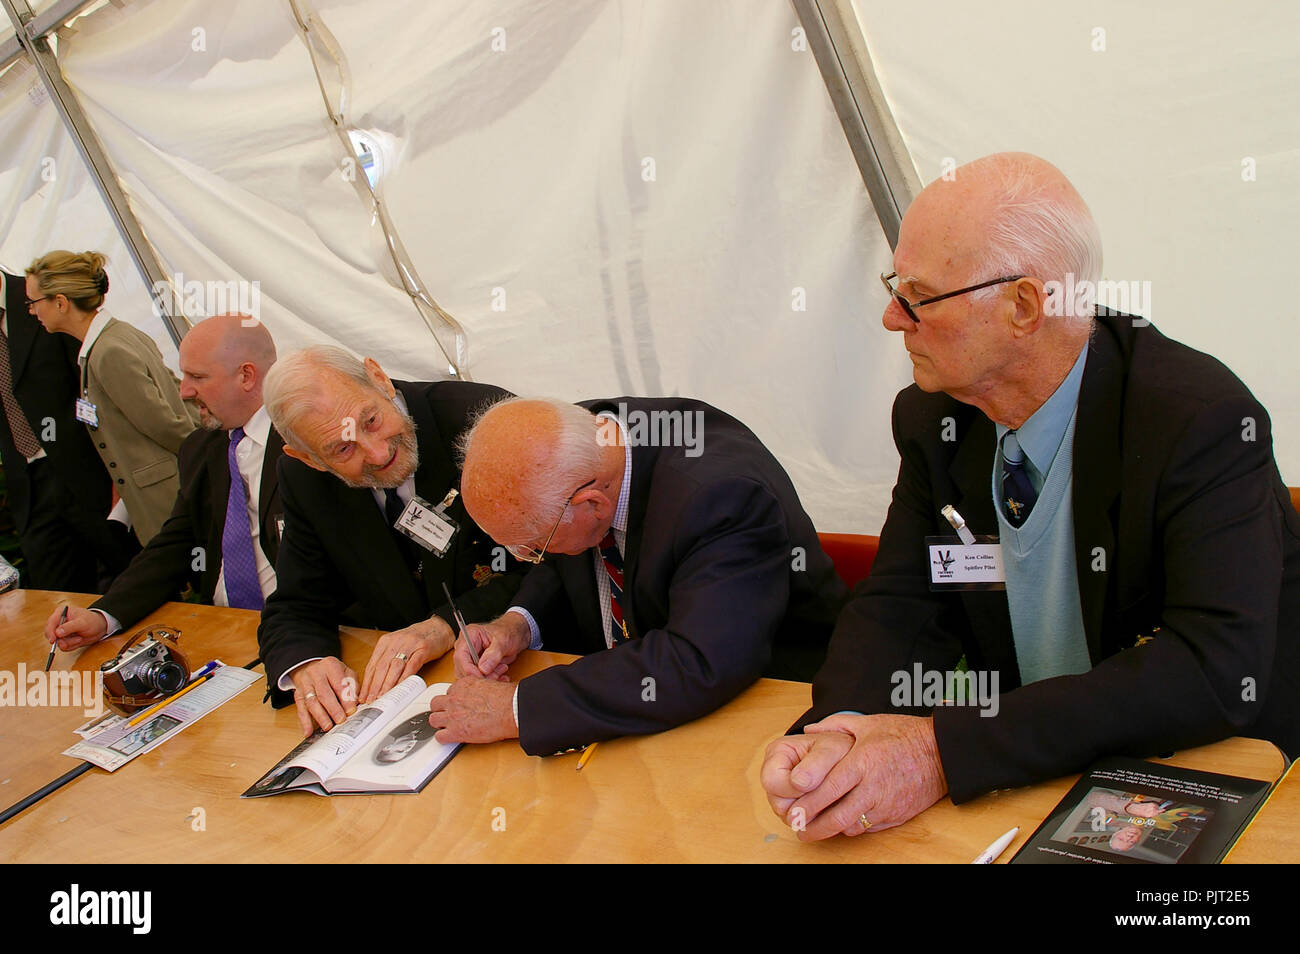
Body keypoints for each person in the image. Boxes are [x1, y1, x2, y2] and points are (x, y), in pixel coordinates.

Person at [760, 151, 1300, 841]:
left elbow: (1212, 670)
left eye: (918, 296)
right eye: (896, 284)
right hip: (1038, 770)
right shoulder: (935, 421)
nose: (893, 318)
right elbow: (900, 604)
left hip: (1222, 776)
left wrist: (939, 752)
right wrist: (841, 735)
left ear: (1023, 306)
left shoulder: (1198, 419)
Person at [428, 396, 848, 755]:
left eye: (533, 546)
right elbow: (568, 555)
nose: (526, 558)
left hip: (773, 702)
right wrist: (516, 624)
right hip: (639, 705)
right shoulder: (584, 440)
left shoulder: (721, 496)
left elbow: (696, 662)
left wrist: (518, 707)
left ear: (593, 504)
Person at [257, 346, 525, 737]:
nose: (378, 453)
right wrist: (307, 664)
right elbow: (298, 601)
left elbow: (556, 562)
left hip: (517, 672)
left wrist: (447, 624)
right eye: (343, 449)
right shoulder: (303, 477)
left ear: (379, 378)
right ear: (310, 459)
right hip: (409, 698)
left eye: (371, 420)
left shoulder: (486, 420)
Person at [42, 315, 282, 651]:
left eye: (197, 376)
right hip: (221, 629)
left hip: (299, 631)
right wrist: (103, 615)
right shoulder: (202, 448)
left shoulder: (304, 442)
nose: (184, 391)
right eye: (183, 375)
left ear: (246, 375)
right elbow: (173, 546)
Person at [25, 251, 197, 546]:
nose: (30, 311)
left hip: (165, 501)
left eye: (33, 302)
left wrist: (207, 463)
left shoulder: (109, 351)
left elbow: (163, 424)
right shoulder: (113, 339)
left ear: (61, 302)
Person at [0, 269, 135, 590]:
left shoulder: (42, 294)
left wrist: (118, 468)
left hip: (88, 473)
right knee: (56, 601)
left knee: (131, 579)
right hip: (28, 486)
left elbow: (93, 385)